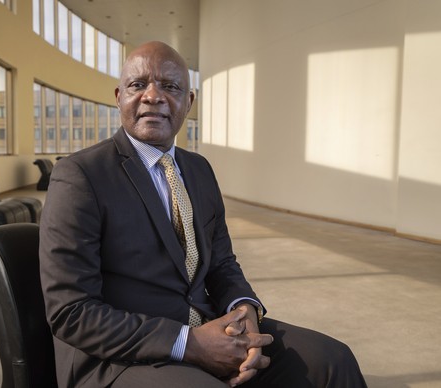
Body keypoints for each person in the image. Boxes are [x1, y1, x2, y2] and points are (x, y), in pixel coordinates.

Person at [39, 41, 367, 388]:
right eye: (138, 85)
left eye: (170, 86)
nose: (153, 96)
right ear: (119, 97)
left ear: (189, 102)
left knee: (333, 360)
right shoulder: (80, 176)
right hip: (118, 359)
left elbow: (222, 263)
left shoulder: (199, 170)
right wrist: (190, 344)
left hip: (211, 329)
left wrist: (245, 312)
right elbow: (71, 312)